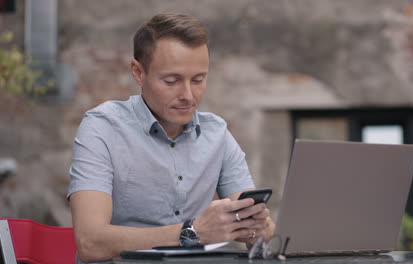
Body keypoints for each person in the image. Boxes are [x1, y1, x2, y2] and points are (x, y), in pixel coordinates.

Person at [67, 12, 275, 264]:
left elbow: (257, 224)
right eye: (172, 80)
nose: (188, 95)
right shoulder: (102, 128)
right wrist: (191, 232)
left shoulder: (217, 133)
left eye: (198, 80)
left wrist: (257, 230)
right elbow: (91, 243)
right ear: (138, 72)